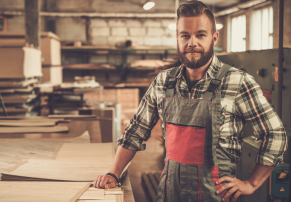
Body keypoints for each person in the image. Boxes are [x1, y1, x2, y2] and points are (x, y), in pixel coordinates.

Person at [93, 1, 288, 202]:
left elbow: (275, 134)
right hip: (169, 193)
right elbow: (136, 130)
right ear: (177, 38)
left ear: (214, 37)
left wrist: (252, 183)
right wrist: (113, 173)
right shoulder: (163, 81)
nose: (191, 42)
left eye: (200, 35)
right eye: (185, 35)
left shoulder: (237, 82)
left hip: (215, 196)